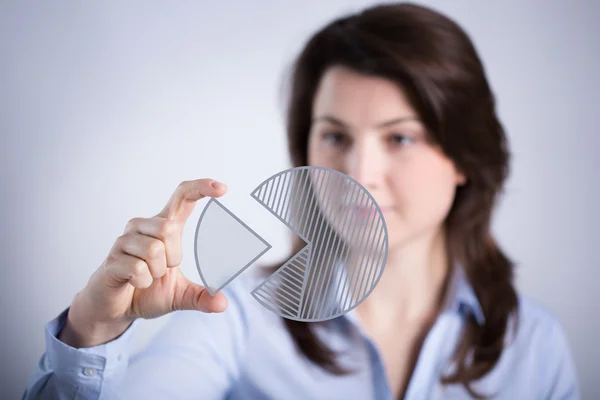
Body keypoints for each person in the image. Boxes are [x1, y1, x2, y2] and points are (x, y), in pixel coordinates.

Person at [23, 3, 580, 399]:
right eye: (335, 136)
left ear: (463, 156)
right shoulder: (233, 313)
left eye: (400, 137)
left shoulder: (533, 347)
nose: (360, 173)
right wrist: (91, 334)